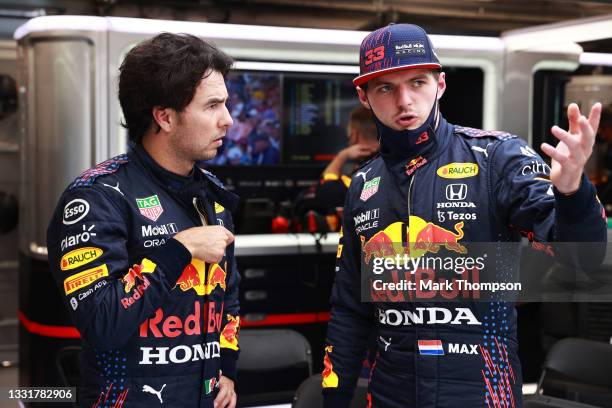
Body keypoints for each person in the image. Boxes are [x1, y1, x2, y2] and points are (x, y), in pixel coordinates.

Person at [322, 23, 606, 407]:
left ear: (440, 84)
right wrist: (333, 399)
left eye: (417, 82)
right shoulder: (363, 184)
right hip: (391, 391)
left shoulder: (497, 158)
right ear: (365, 96)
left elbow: (583, 259)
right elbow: (349, 310)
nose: (404, 100)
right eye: (386, 87)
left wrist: (573, 192)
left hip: (481, 390)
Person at [46, 33, 240, 408]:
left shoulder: (210, 195)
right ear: (164, 116)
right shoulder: (95, 197)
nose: (228, 120)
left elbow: (226, 294)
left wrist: (227, 368)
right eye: (212, 106)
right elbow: (101, 321)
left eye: (225, 104)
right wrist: (180, 249)